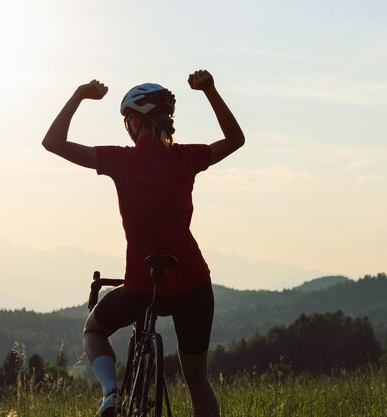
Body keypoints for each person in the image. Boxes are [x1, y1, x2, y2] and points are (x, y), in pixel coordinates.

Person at [42, 70, 244, 417]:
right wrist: (210, 90)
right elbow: (235, 139)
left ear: (134, 122)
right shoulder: (187, 157)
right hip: (192, 283)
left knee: (93, 329)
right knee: (197, 381)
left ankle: (110, 394)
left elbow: (53, 143)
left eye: (127, 120)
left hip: (141, 283)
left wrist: (78, 94)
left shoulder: (121, 160)